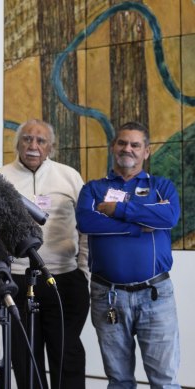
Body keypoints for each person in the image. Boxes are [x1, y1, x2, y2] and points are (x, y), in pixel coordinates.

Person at [76, 121, 181, 388]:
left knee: (164, 380)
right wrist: (139, 227)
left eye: (135, 145)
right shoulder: (93, 189)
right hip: (108, 295)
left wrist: (119, 210)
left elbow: (168, 217)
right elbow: (87, 223)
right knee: (119, 380)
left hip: (155, 296)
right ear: (113, 147)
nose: (128, 149)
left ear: (147, 151)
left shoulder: (162, 187)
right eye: (122, 143)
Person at [0, 119, 90, 389]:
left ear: (51, 146)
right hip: (17, 281)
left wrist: (83, 270)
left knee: (67, 353)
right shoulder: (0, 178)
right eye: (27, 139)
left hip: (64, 279)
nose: (33, 146)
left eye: (40, 140)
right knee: (24, 357)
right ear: (17, 144)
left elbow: (85, 228)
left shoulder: (69, 176)